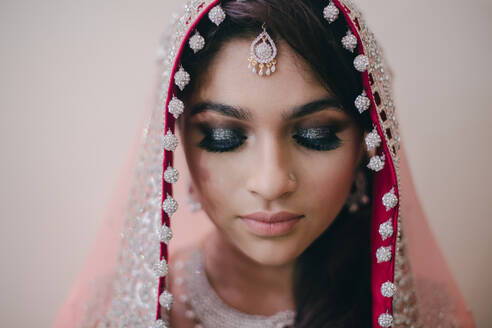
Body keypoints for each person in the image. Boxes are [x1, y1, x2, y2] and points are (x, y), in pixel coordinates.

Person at [54, 0, 476, 327]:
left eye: (316, 136)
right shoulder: (113, 315)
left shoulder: (424, 316)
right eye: (224, 138)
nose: (272, 182)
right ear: (178, 140)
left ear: (369, 145)